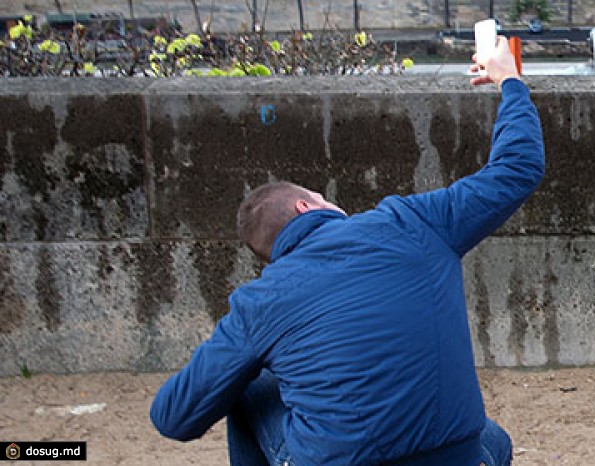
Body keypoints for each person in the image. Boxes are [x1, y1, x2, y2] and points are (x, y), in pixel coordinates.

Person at [151, 35, 545, 466]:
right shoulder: (412, 222)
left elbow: (173, 418)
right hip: (454, 457)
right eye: (320, 195)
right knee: (490, 442)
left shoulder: (260, 302)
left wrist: (247, 363)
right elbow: (516, 168)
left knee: (247, 385)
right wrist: (509, 78)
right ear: (307, 205)